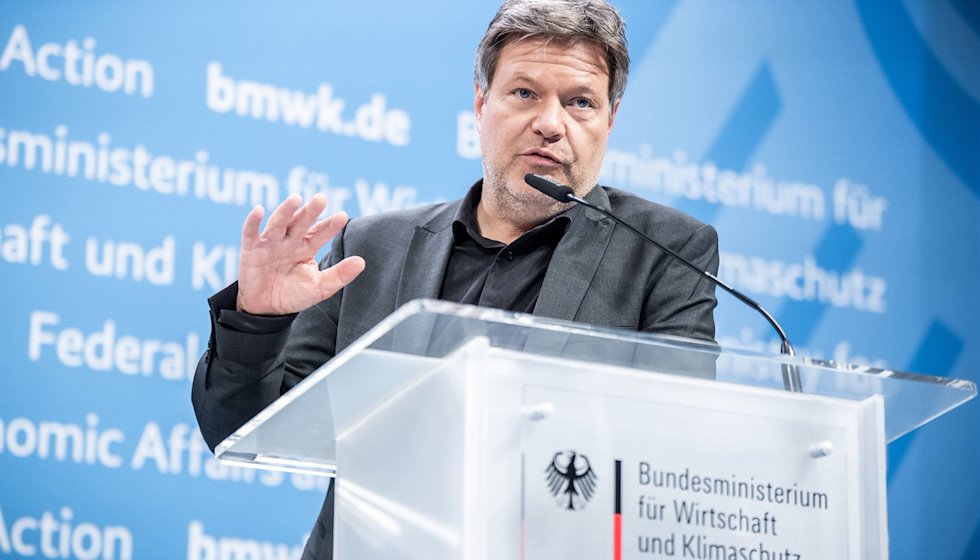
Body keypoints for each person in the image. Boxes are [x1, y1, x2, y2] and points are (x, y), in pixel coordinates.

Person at [192, 0, 719, 557]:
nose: (550, 123)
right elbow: (242, 426)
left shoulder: (665, 252)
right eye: (524, 93)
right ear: (479, 103)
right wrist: (260, 318)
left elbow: (672, 445)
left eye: (580, 102)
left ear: (608, 123)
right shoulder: (370, 249)